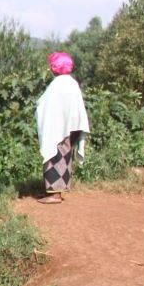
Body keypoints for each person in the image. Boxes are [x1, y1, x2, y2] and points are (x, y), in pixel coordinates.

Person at [36, 52, 90, 204]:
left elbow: (46, 105)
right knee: (65, 157)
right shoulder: (72, 83)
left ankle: (55, 194)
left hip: (59, 128)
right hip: (72, 127)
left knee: (55, 156)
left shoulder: (58, 84)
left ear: (56, 67)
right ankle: (56, 190)